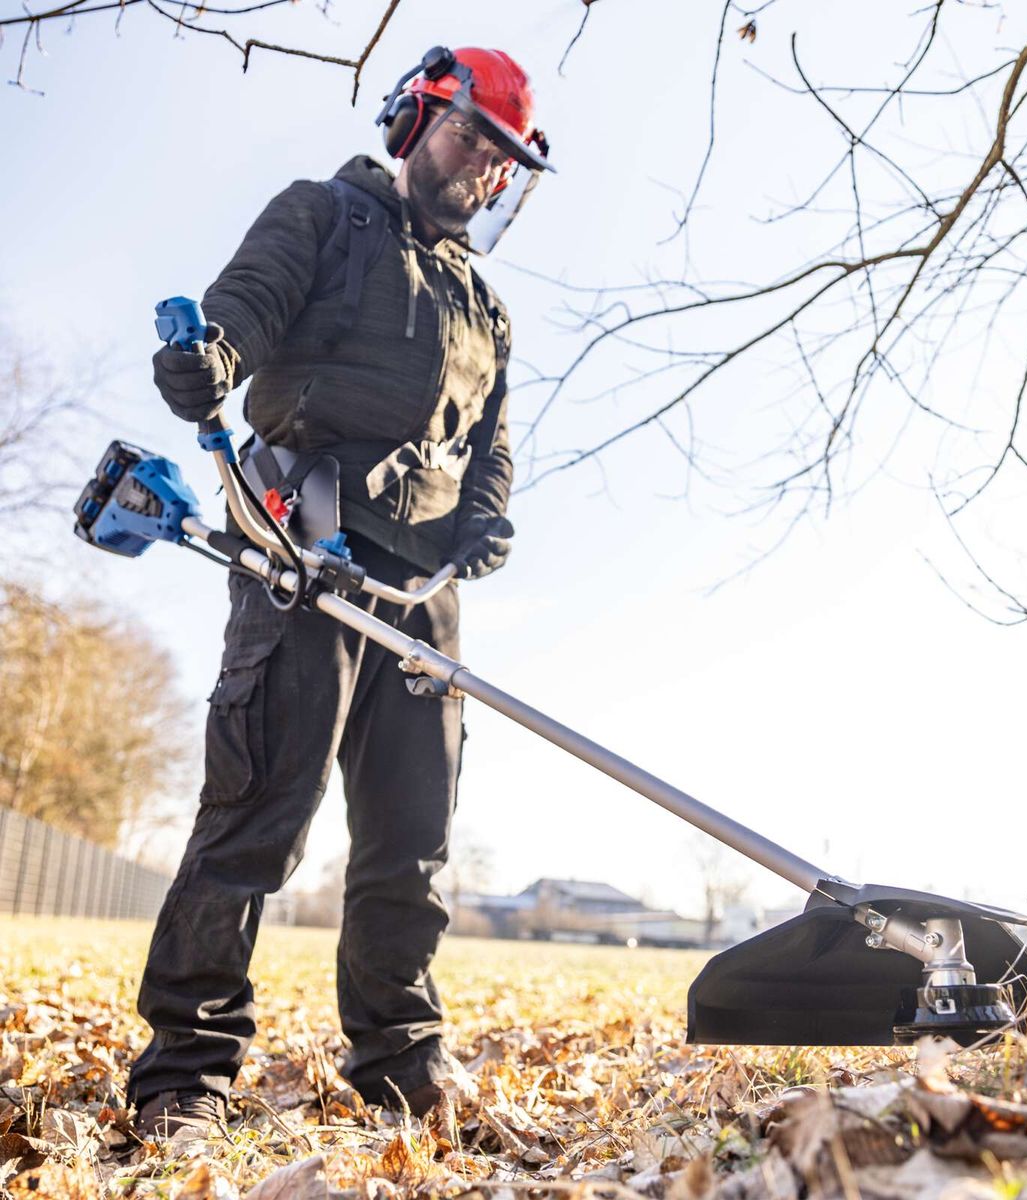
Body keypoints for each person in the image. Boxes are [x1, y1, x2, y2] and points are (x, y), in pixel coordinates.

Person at [127, 45, 553, 1143]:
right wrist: (211, 364)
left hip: (422, 593)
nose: (480, 171)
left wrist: (488, 515)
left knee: (410, 848)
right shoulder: (323, 215)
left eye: (501, 161)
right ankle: (186, 1072)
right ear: (417, 121)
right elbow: (243, 313)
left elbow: (490, 445)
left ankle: (403, 1065)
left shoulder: (486, 310)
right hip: (304, 546)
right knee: (257, 817)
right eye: (469, 139)